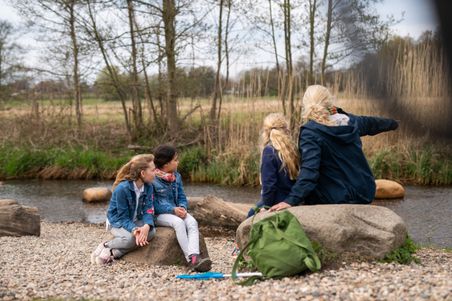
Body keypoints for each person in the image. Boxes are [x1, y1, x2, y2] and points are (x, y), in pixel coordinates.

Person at [270, 85, 399, 211]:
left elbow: (310, 172)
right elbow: (374, 124)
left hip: (334, 198)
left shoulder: (310, 132)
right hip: (364, 193)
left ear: (307, 105)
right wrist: (396, 123)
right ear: (329, 102)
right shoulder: (350, 121)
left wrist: (290, 200)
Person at [152, 144, 212, 272]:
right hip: (159, 214)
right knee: (179, 223)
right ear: (166, 164)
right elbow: (154, 205)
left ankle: (195, 257)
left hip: (176, 211)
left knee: (192, 222)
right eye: (175, 159)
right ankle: (190, 259)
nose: (178, 162)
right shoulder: (152, 180)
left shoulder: (177, 176)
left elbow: (181, 196)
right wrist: (172, 210)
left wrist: (183, 207)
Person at [91, 156, 156, 264]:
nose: (155, 173)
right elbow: (123, 218)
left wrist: (146, 225)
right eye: (153, 170)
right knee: (130, 238)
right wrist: (135, 230)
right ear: (143, 173)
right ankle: (106, 245)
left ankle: (113, 253)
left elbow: (148, 210)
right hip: (117, 221)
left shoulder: (149, 187)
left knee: (152, 232)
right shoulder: (122, 189)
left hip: (134, 220)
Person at [247, 113, 299, 217]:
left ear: (265, 131)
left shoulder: (269, 151)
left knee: (251, 214)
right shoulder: (292, 149)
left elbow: (269, 186)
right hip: (291, 199)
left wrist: (266, 206)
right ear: (285, 130)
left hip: (276, 201)